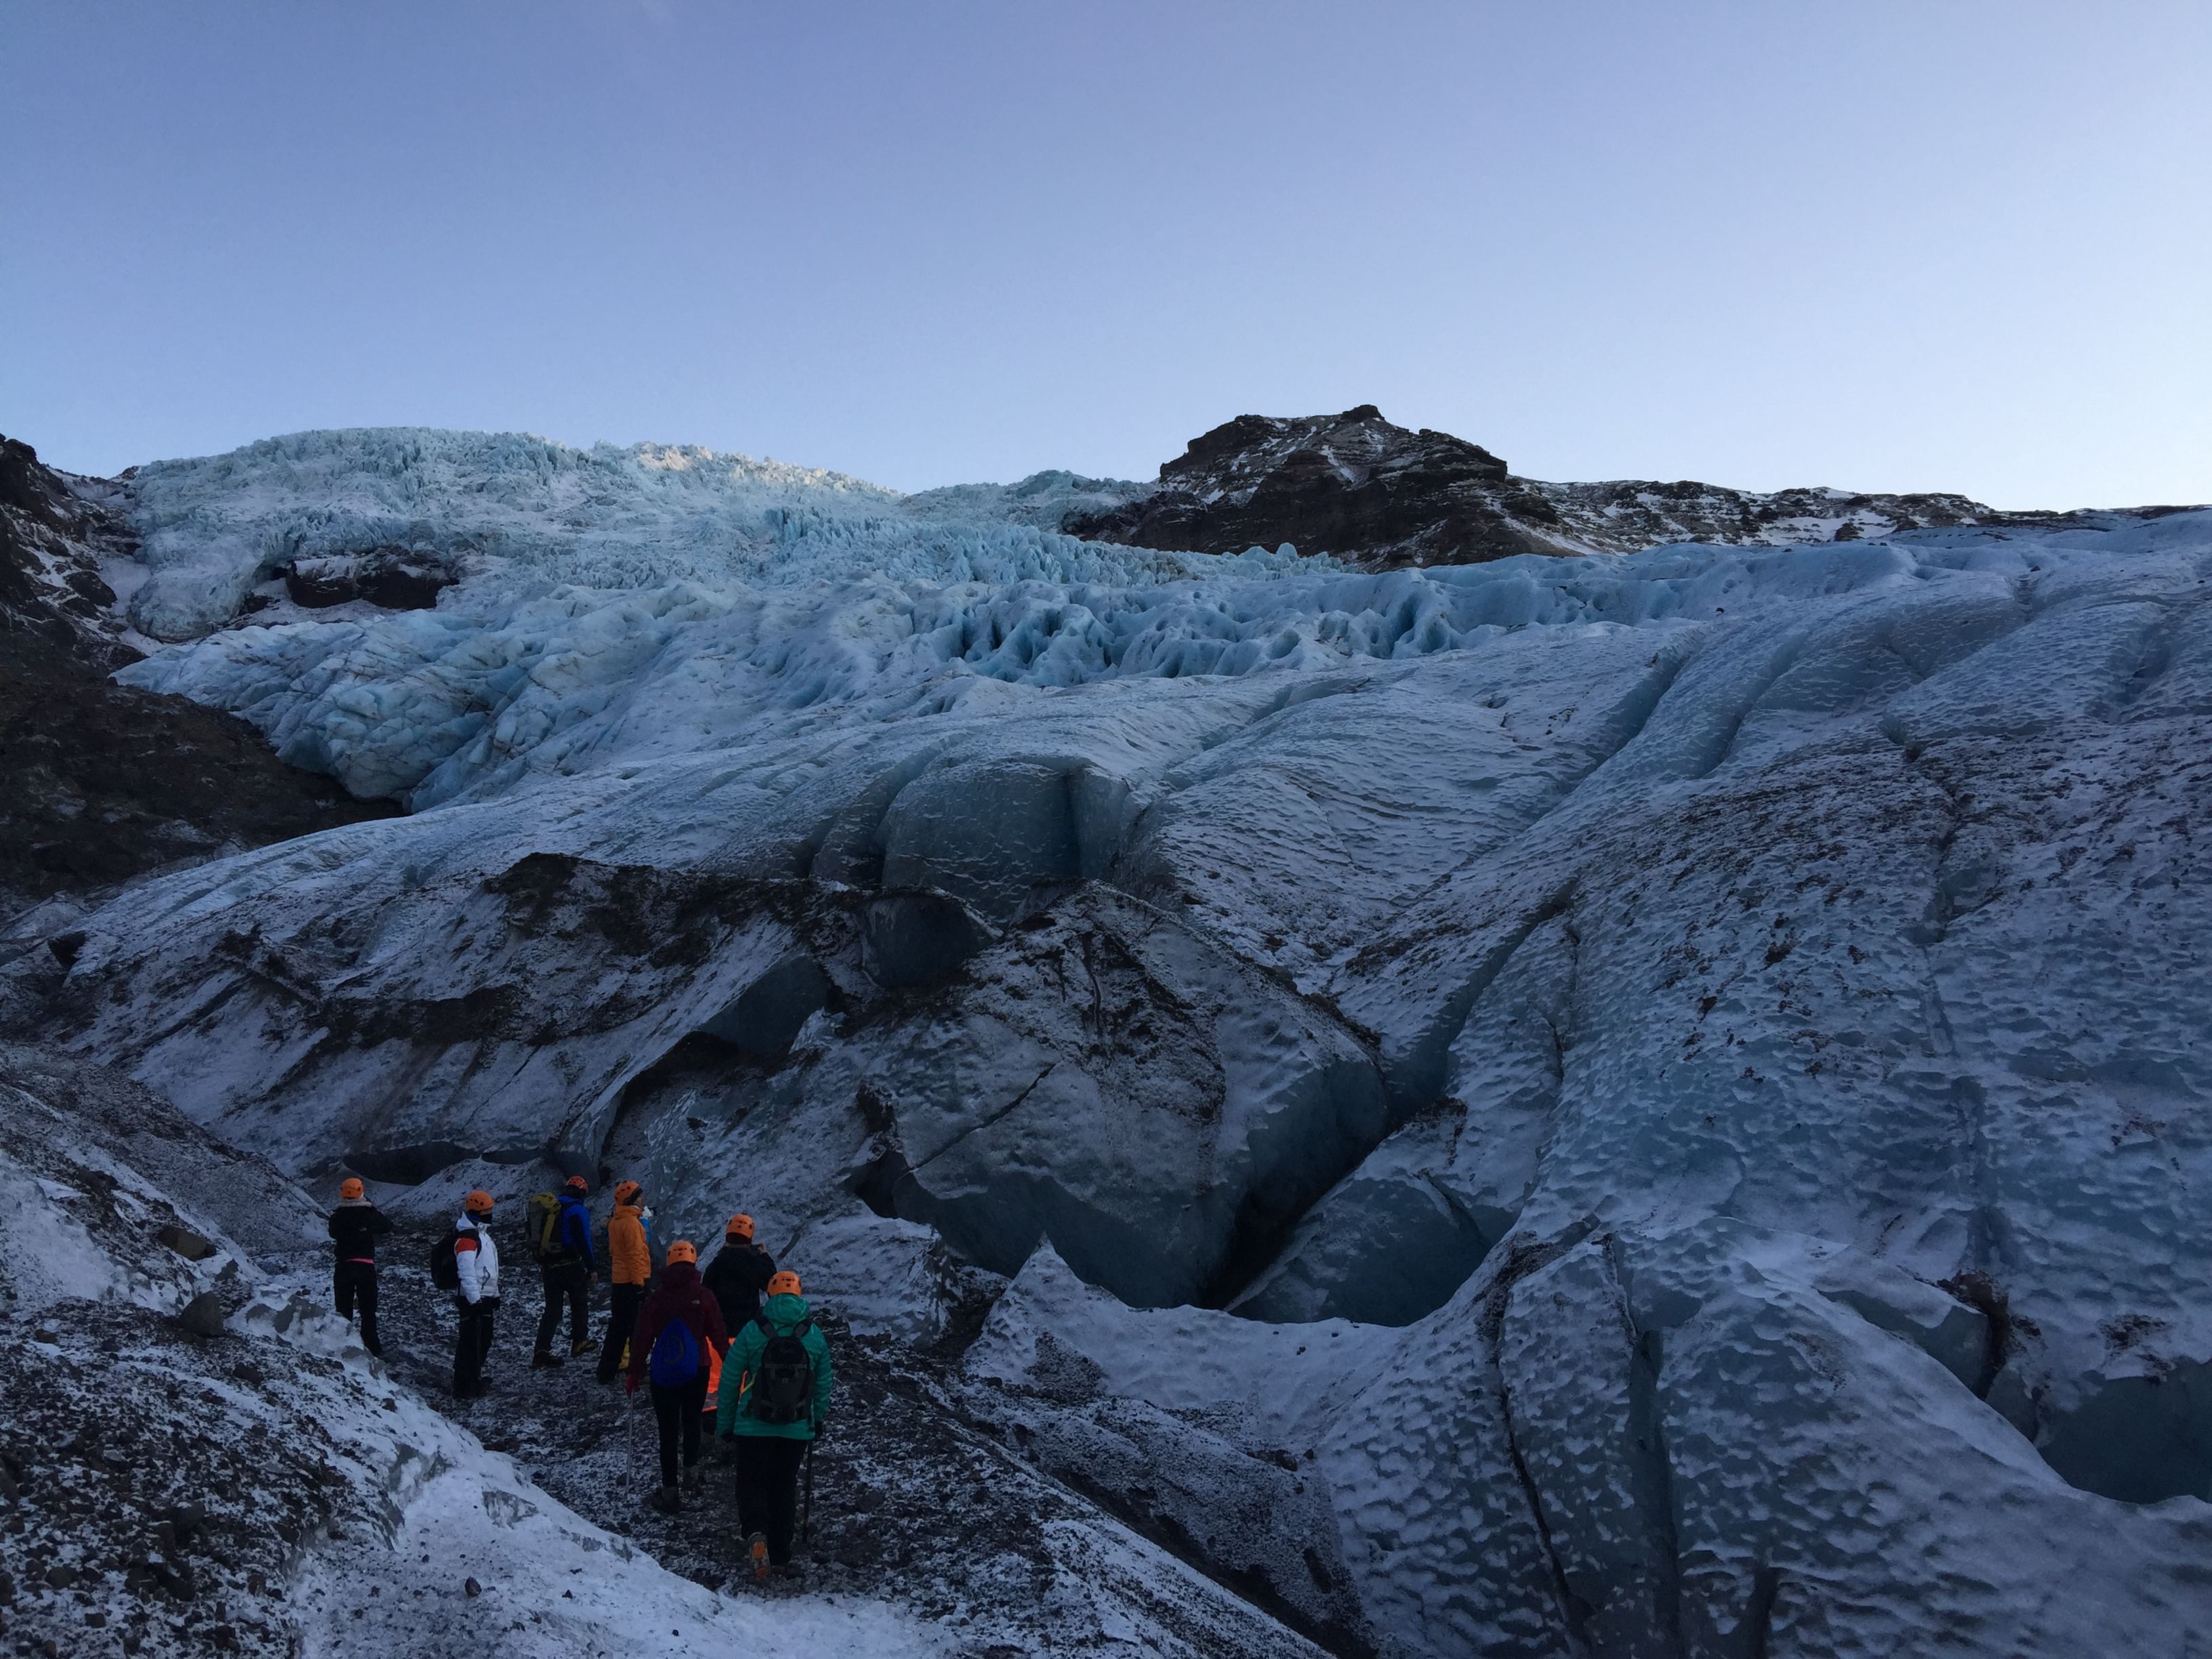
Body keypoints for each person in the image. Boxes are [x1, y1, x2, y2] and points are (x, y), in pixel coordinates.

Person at [716, 1269, 832, 1581]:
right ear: (799, 1294)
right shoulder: (813, 1334)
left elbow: (729, 1381)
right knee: (784, 1486)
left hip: (753, 1427)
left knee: (751, 1483)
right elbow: (823, 1384)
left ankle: (756, 1535)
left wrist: (725, 1424)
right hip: (796, 1429)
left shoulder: (753, 1331)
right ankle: (780, 1551)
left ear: (769, 1294)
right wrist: (816, 1419)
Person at [625, 1240, 729, 1513]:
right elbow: (718, 1333)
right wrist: (730, 1361)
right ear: (694, 1263)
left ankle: (670, 1489)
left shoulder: (656, 1299)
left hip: (664, 1371)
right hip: (699, 1369)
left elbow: (643, 1338)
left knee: (668, 1430)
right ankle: (692, 1475)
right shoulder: (705, 1296)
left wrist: (634, 1372)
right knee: (693, 1420)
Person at [532, 1174, 597, 1368]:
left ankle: (541, 1351)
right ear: (583, 1193)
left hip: (549, 1266)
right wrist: (592, 1267)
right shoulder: (577, 1210)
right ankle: (579, 1343)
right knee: (580, 1304)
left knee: (552, 1310)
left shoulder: (552, 1208)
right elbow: (584, 1241)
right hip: (571, 1265)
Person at [327, 1176, 393, 1357]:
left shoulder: (337, 1217)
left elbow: (333, 1233)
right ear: (361, 1192)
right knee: (368, 1310)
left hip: (343, 1267)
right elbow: (387, 1226)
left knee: (343, 1310)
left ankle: (345, 1345)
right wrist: (371, 1208)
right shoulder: (369, 1215)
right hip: (366, 1267)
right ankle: (373, 1349)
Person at [595, 1180, 651, 1383]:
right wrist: (640, 1284)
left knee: (618, 1328)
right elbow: (635, 1254)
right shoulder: (631, 1223)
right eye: (640, 1196)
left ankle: (606, 1370)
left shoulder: (617, 1221)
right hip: (632, 1281)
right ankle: (636, 1371)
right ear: (632, 1200)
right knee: (638, 1328)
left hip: (619, 1281)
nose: (644, 1200)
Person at [451, 1189, 501, 1400]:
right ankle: (465, 1388)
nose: (491, 1213)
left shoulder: (480, 1235)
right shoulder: (468, 1239)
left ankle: (472, 1380)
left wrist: (494, 1293)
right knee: (471, 1343)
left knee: (482, 1339)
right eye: (488, 1210)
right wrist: (474, 1300)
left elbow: (489, 1269)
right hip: (474, 1299)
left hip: (483, 1296)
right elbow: (467, 1271)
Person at [701, 1214, 775, 1331]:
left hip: (722, 1326)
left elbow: (705, 1292)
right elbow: (772, 1283)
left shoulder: (717, 1263)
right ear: (750, 1237)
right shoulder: (755, 1263)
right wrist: (765, 1256)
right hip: (749, 1327)